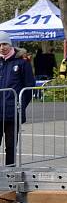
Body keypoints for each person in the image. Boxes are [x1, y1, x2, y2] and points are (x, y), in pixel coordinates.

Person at [0, 31, 34, 166]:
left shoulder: (22, 62)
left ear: (10, 44)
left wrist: (20, 105)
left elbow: (29, 87)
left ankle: (10, 174)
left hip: (12, 113)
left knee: (11, 146)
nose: (2, 47)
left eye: (4, 44)